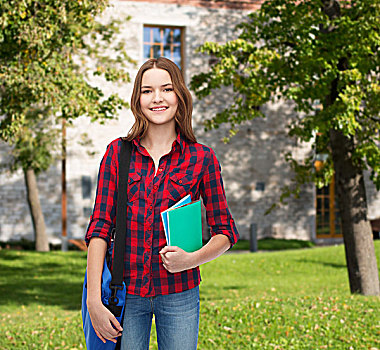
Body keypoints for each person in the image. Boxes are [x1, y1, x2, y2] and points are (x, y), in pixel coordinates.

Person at [85, 57, 239, 350]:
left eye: (166, 89)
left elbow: (226, 232)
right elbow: (99, 229)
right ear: (137, 99)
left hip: (180, 294)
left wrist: (190, 260)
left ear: (179, 96)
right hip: (125, 294)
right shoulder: (117, 153)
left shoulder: (201, 158)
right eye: (147, 91)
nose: (157, 98)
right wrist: (94, 299)